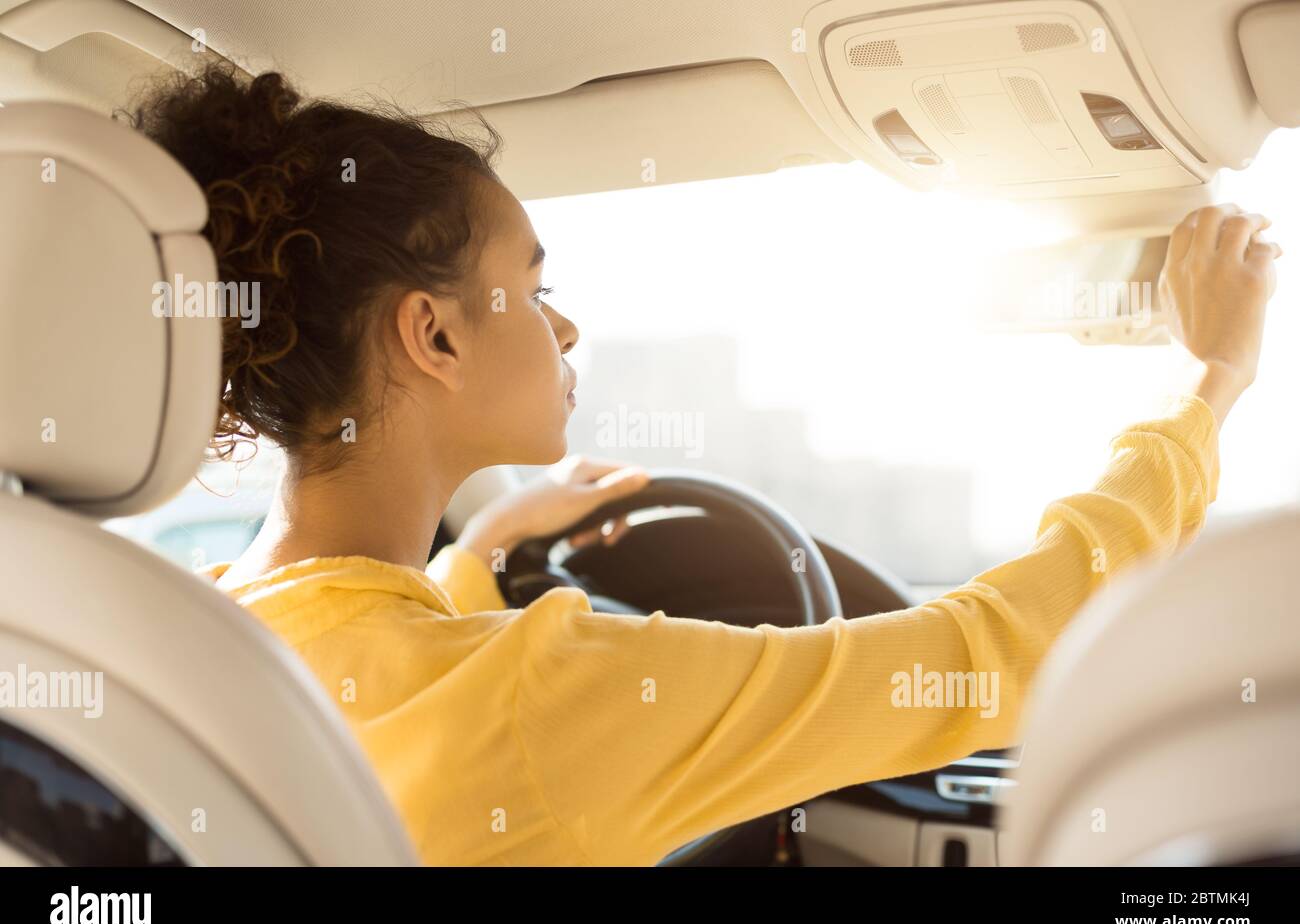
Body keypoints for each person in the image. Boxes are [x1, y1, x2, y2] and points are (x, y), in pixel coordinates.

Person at [131, 65, 1281, 865]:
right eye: (535, 291)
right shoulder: (545, 691)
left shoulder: (213, 626)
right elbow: (994, 654)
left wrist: (478, 558)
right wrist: (1209, 384)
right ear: (432, 335)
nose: (564, 329)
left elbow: (395, 694)